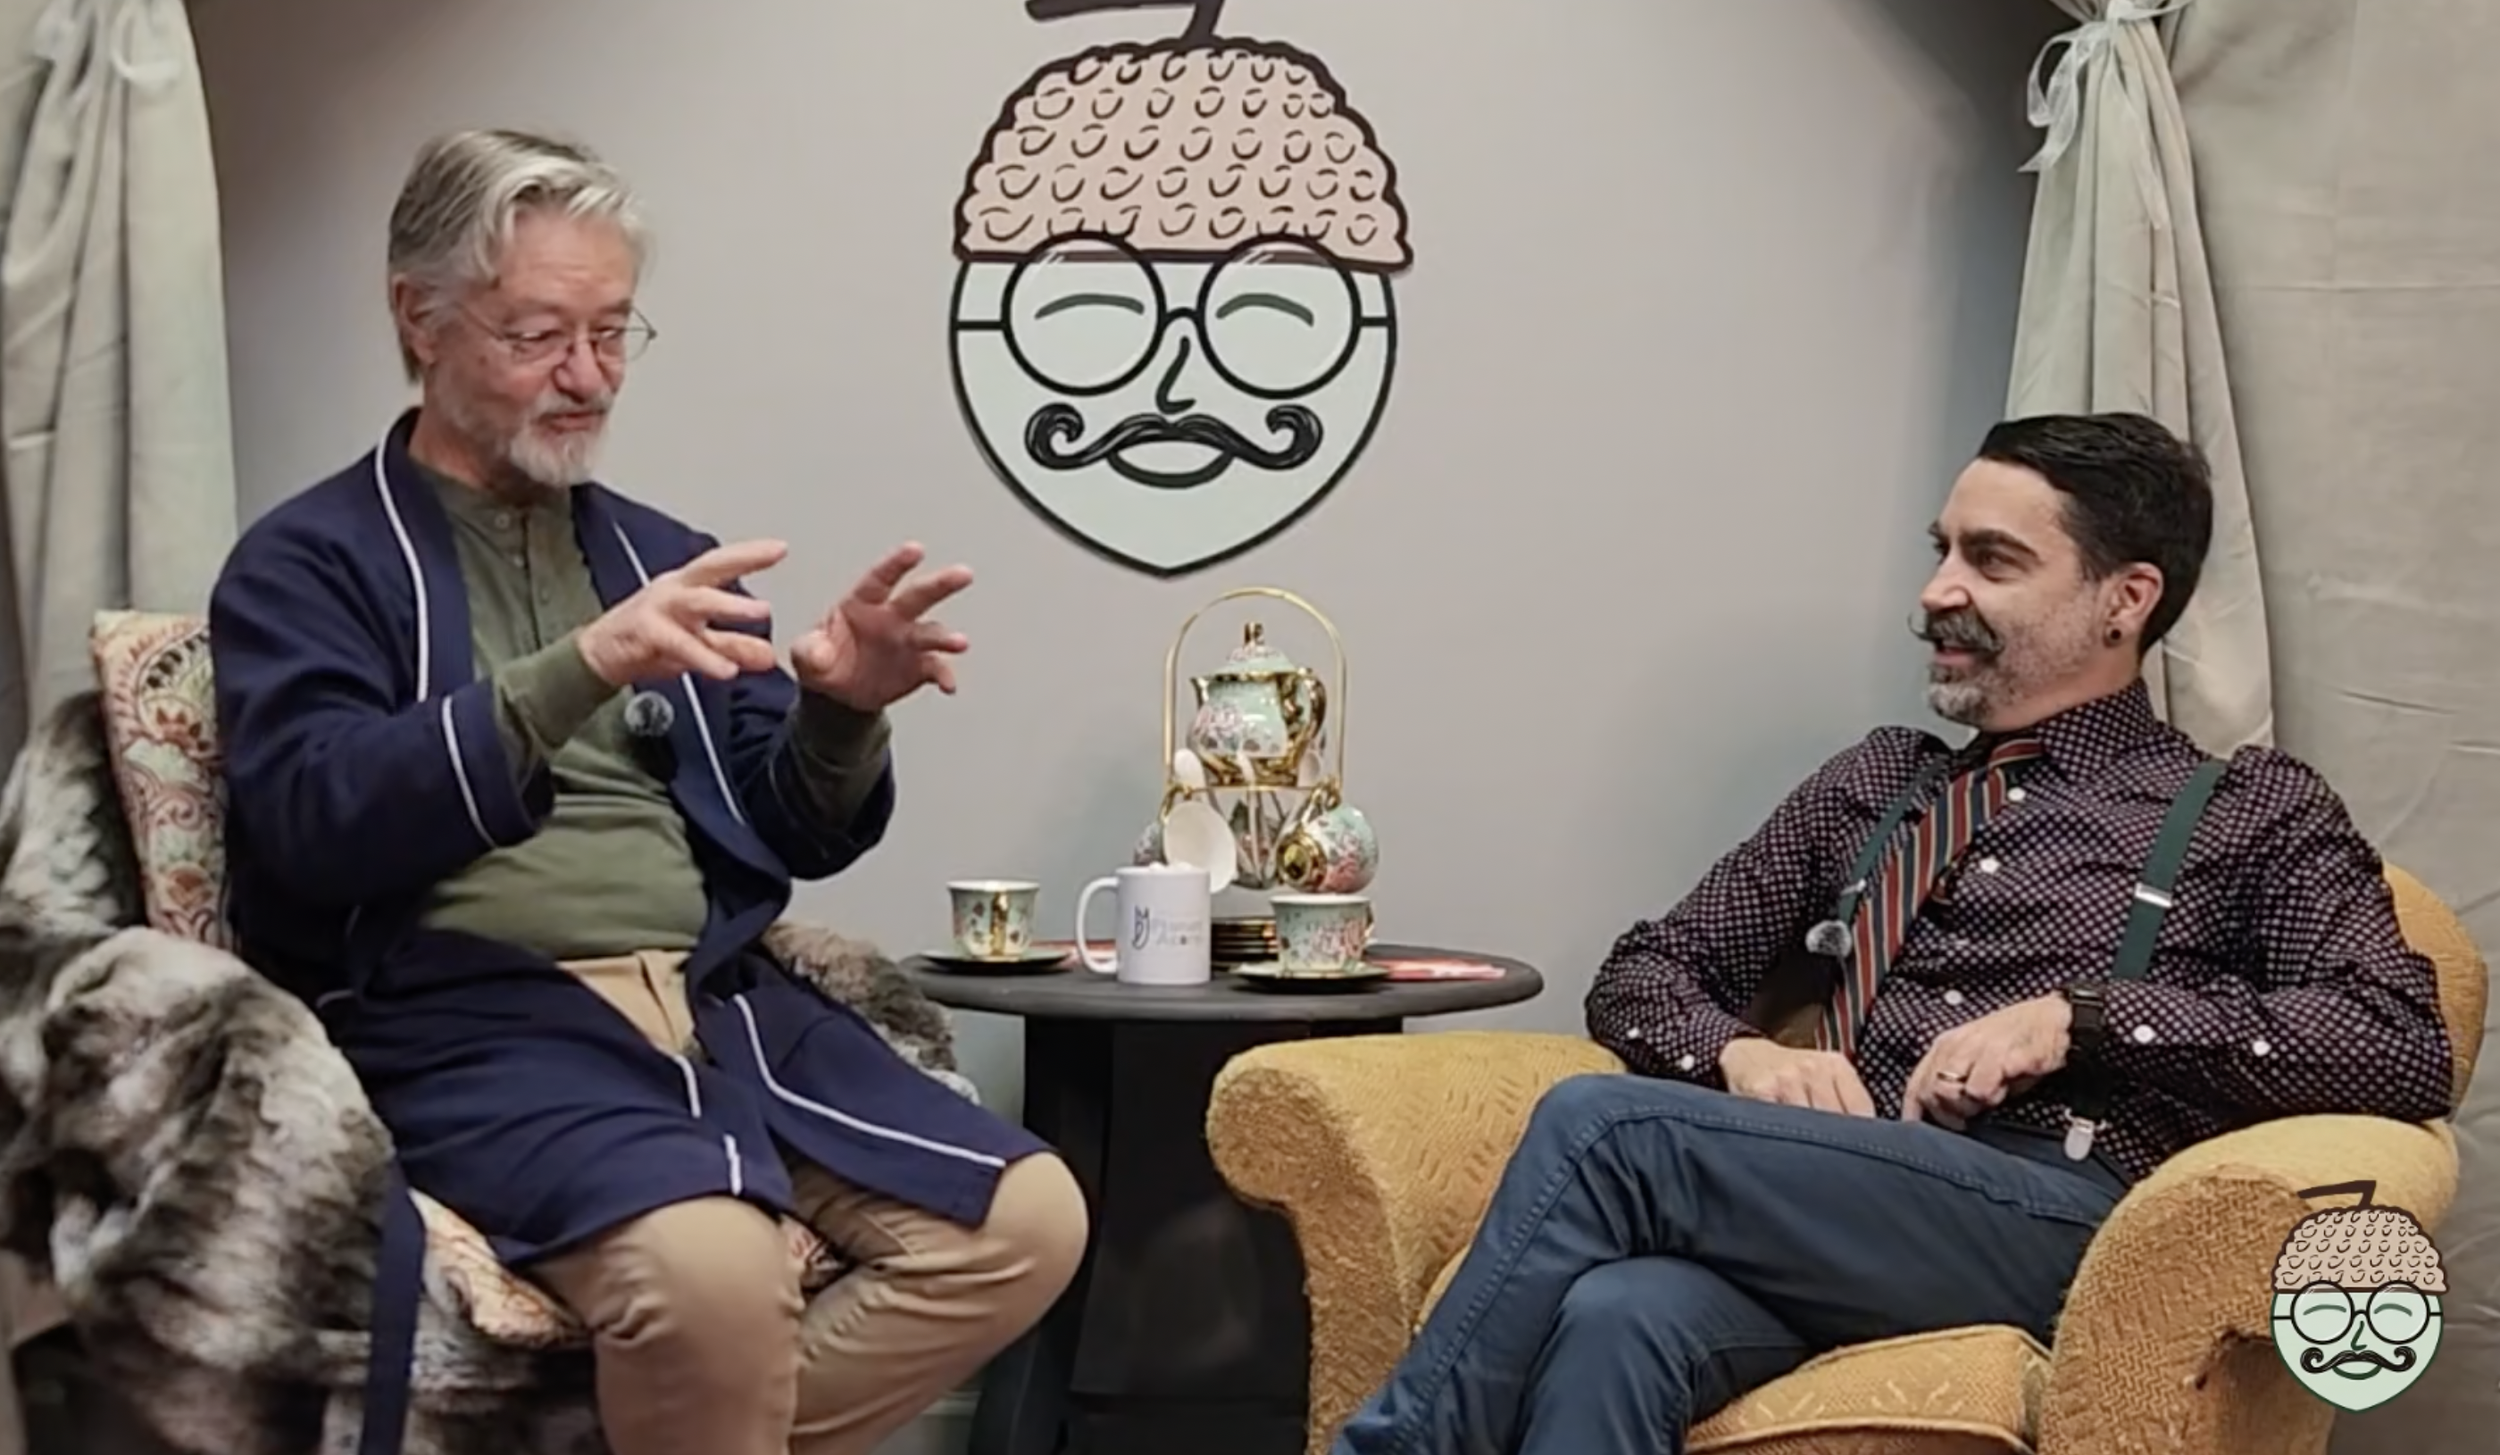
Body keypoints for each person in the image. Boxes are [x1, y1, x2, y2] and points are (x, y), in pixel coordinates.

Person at [1330, 413, 2456, 1455]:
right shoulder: (1876, 785)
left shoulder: (2244, 807)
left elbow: (2398, 1042)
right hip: (1844, 1199)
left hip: (2063, 1220)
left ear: (2125, 599)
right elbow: (1645, 973)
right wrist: (1744, 1055)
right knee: (1618, 1313)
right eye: (1942, 550)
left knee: (1602, 1129)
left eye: (1993, 562)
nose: (1935, 592)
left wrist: (2084, 1021)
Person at [207, 129, 1087, 1455]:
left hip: (718, 1006)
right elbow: (313, 817)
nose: (585, 376)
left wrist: (845, 707)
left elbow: (783, 825)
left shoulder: (659, 552)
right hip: (473, 1020)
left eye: (613, 332)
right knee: (713, 1274)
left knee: (1027, 1222)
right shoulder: (309, 562)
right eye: (538, 333)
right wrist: (579, 667)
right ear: (419, 318)